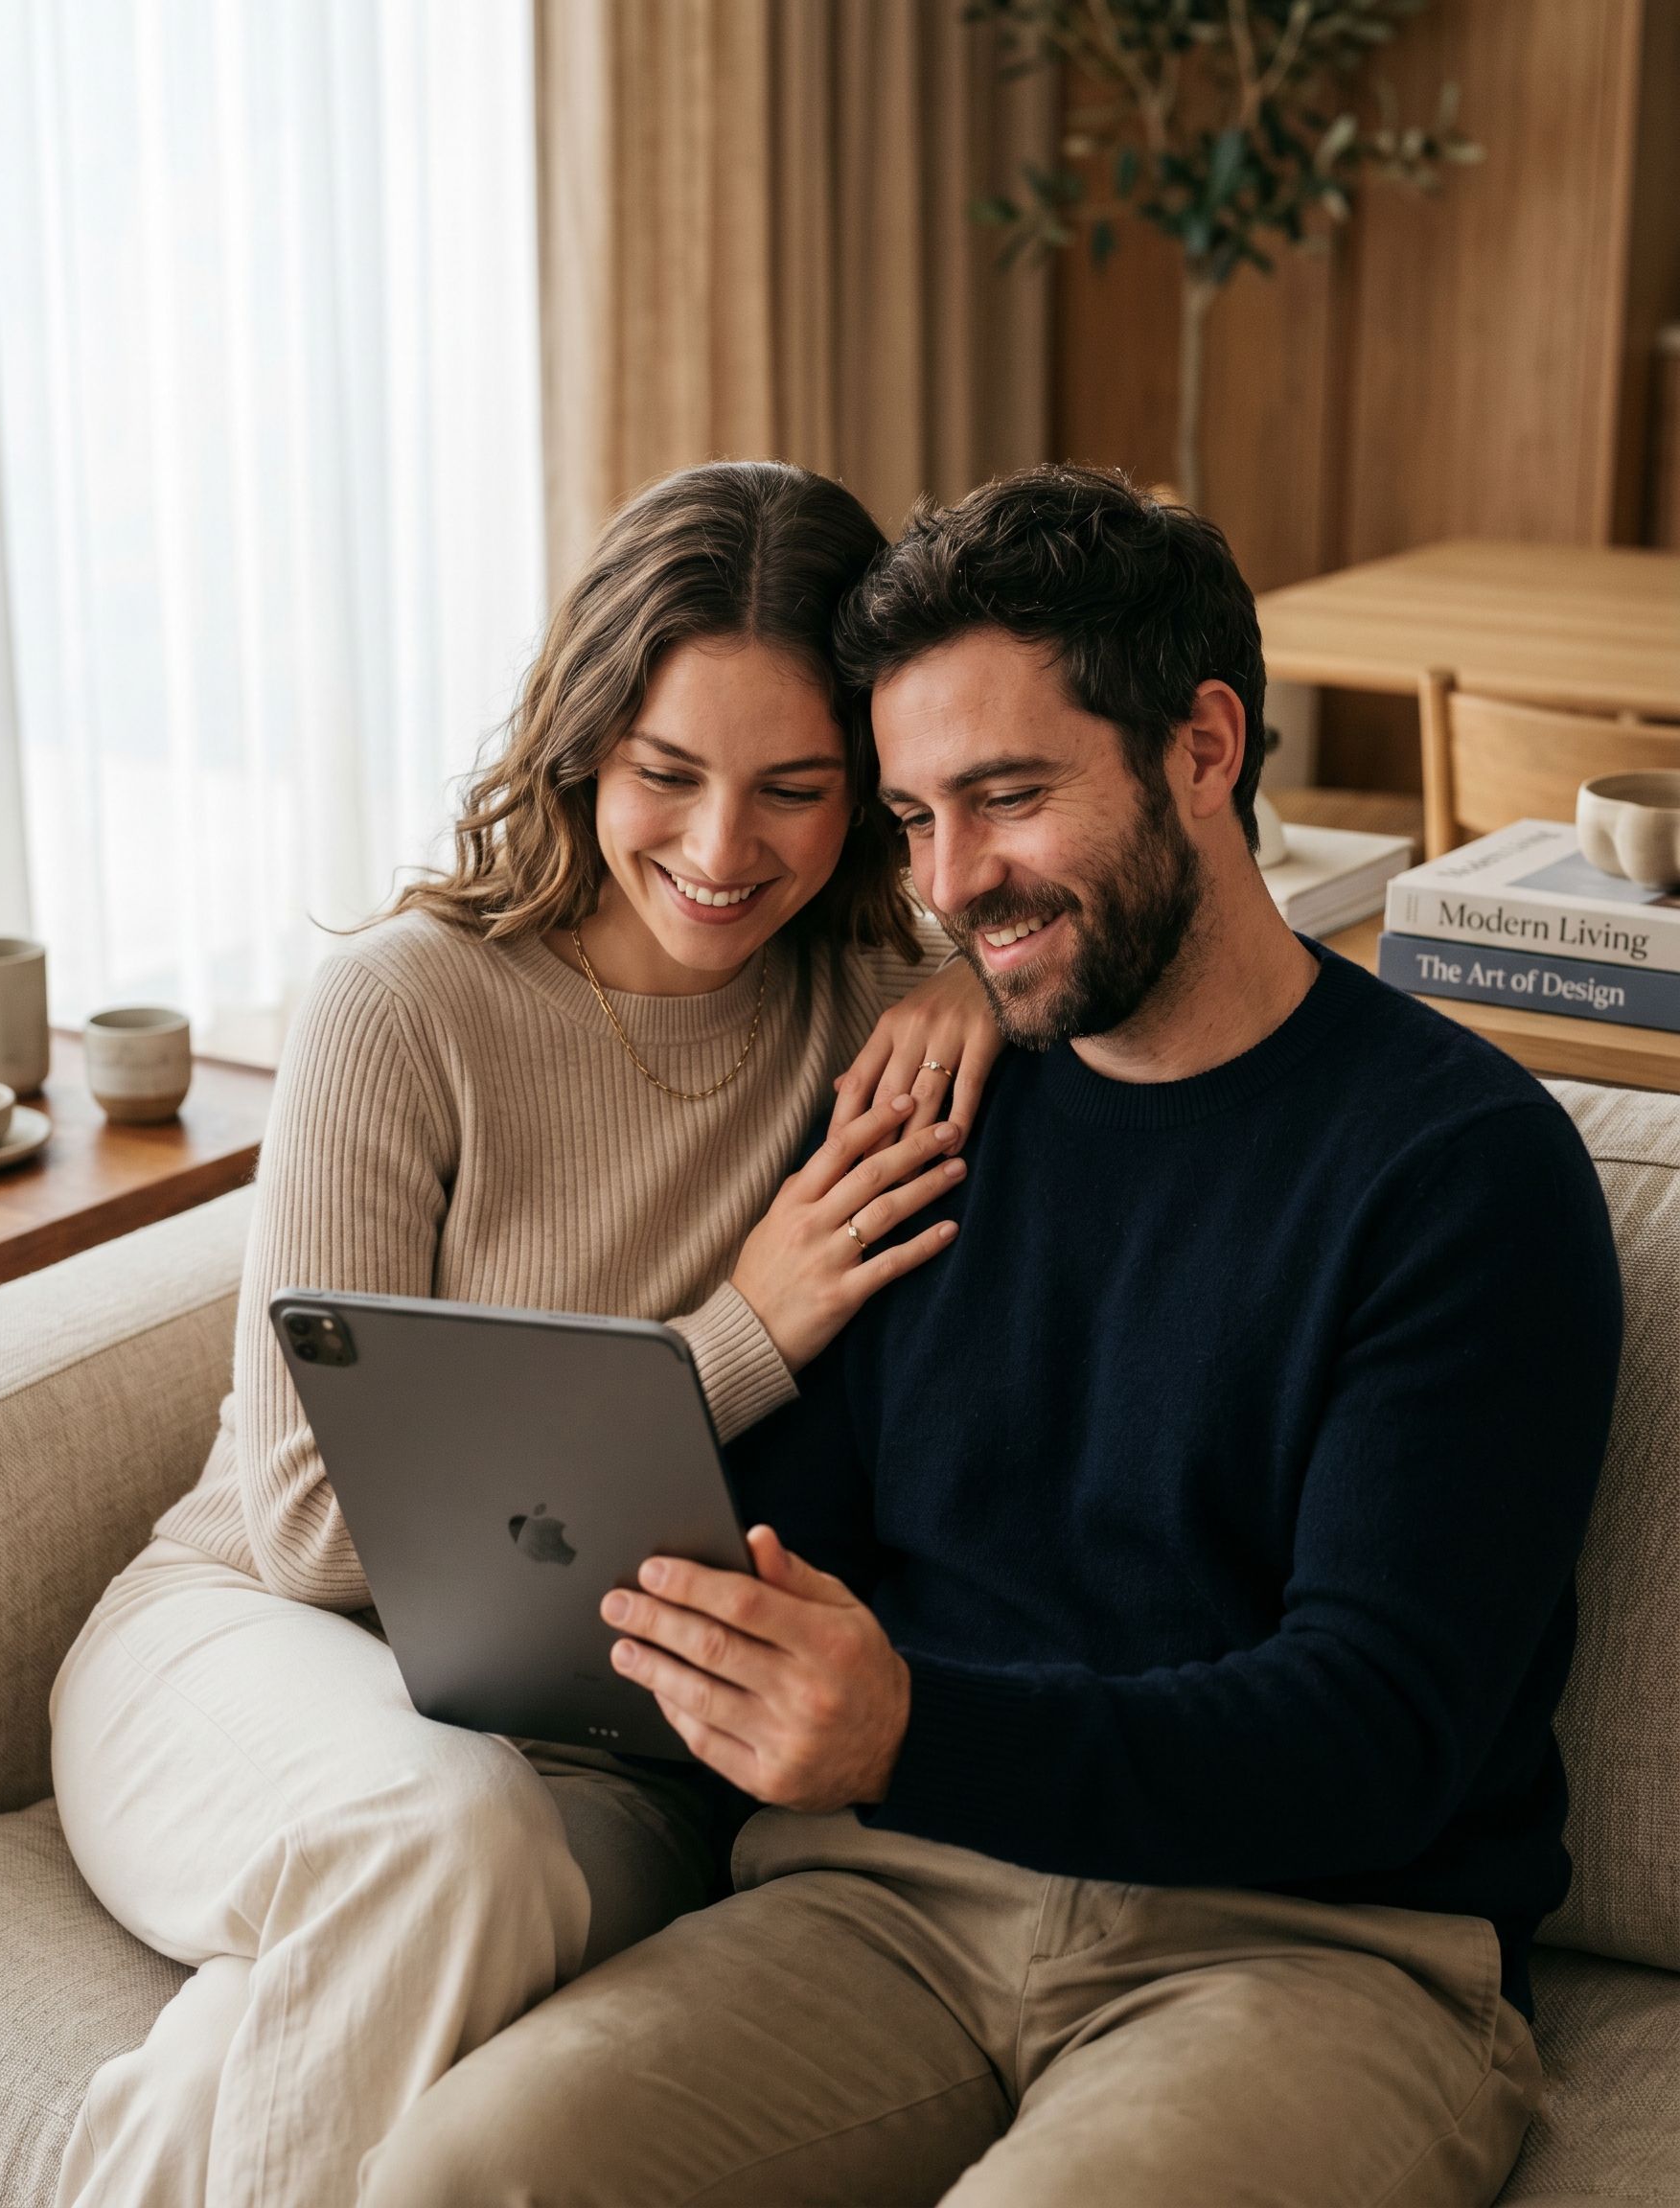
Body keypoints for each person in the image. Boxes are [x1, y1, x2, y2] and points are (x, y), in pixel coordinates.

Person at [362, 465, 1624, 2208]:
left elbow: (1376, 1733)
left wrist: (907, 1733)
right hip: (884, 1902)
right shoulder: (915, 1114)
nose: (957, 884)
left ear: (1203, 747)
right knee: (459, 2173)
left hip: (1311, 1949)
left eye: (1009, 798)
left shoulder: (1463, 1174)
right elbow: (779, 1547)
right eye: (913, 819)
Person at [48, 460, 1004, 2208]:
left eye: (796, 791)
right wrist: (739, 1335)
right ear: (580, 745)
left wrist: (977, 975)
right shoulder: (407, 1008)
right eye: (667, 775)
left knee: (252, 2045)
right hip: (245, 1655)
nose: (723, 854)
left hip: (614, 1770)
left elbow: (1201, 900)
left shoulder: (876, 1024)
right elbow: (313, 1534)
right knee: (442, 1833)